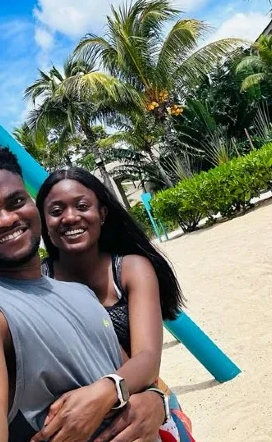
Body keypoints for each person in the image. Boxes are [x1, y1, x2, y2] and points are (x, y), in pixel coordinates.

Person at [0, 144, 169, 442]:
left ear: (31, 204)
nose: (6, 219)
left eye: (15, 202)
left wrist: (155, 400)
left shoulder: (78, 293)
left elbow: (132, 371)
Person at [36, 168, 195, 442]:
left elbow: (147, 359)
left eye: (82, 206)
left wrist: (104, 392)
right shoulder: (39, 283)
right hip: (75, 420)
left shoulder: (130, 269)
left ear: (103, 214)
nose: (70, 217)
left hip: (143, 401)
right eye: (56, 210)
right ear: (43, 223)